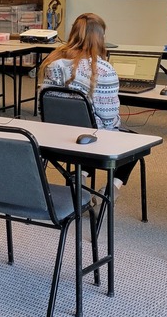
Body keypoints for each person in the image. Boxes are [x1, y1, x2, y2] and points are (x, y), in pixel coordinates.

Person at [41, 12, 136, 196]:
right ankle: (111, 192)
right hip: (90, 138)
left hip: (56, 134)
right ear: (100, 38)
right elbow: (108, 120)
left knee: (84, 128)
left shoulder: (52, 63)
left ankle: (80, 176)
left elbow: (43, 105)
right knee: (135, 142)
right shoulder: (104, 69)